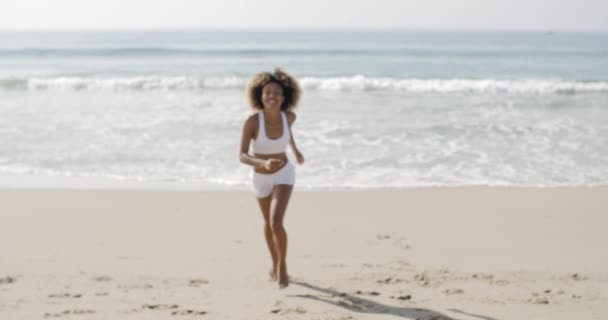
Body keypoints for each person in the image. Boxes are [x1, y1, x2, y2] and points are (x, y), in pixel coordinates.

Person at [239, 68, 305, 289]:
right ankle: (274, 260)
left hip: (284, 172)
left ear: (284, 97)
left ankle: (282, 265)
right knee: (268, 223)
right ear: (260, 96)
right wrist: (262, 163)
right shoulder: (252, 122)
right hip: (260, 177)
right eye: (268, 92)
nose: (272, 96)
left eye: (277, 92)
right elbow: (242, 155)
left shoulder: (289, 117)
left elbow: (288, 132)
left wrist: (294, 151)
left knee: (276, 221)